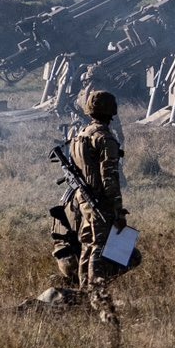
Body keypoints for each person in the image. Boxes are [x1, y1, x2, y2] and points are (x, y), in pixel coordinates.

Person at [67, 90, 129, 324]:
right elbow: (109, 177)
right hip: (100, 200)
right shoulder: (105, 138)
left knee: (87, 245)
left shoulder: (81, 134)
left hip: (83, 200)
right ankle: (96, 296)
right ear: (111, 110)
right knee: (101, 248)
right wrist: (118, 209)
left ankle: (84, 293)